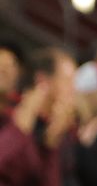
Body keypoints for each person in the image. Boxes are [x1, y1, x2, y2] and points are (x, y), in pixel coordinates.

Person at [0, 47, 76, 186]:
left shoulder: (57, 129)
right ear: (43, 83)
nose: (73, 89)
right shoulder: (13, 118)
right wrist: (20, 129)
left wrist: (51, 144)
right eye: (67, 81)